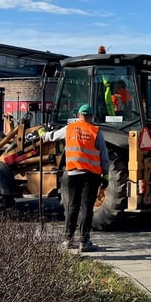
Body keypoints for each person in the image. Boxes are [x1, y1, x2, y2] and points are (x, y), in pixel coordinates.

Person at [41, 103, 109, 252]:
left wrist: (42, 133)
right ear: (91, 117)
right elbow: (104, 156)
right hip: (91, 175)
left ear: (79, 116)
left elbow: (52, 136)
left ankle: (67, 240)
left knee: (72, 206)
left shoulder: (69, 129)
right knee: (86, 208)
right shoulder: (96, 132)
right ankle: (84, 242)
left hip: (73, 174)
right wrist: (106, 174)